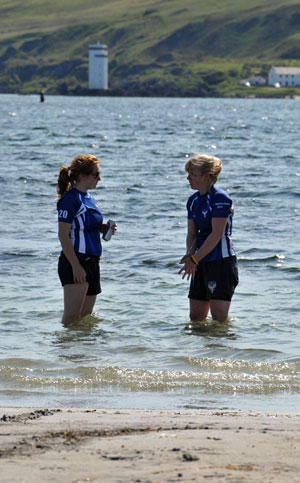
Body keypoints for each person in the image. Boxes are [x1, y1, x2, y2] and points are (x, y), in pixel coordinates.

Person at [56, 154, 116, 325]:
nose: (99, 178)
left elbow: (84, 224)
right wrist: (76, 266)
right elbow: (63, 235)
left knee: (85, 319)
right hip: (76, 261)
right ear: (83, 176)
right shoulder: (70, 199)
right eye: (96, 174)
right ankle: (64, 350)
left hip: (92, 262)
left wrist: (103, 228)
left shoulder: (89, 198)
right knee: (71, 318)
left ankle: (82, 351)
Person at [179, 154, 238, 323]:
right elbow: (192, 234)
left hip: (221, 262)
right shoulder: (192, 200)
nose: (188, 178)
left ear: (206, 176)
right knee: (195, 318)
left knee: (219, 319)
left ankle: (223, 348)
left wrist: (195, 259)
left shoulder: (220, 198)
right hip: (199, 262)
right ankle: (199, 350)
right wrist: (190, 256)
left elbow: (216, 234)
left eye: (192, 174)